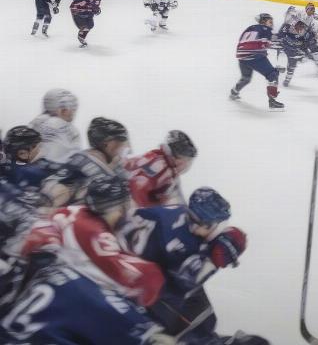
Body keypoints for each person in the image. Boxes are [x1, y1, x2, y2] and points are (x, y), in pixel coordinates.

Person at [10, 175, 174, 345]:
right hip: (59, 306)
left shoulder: (72, 210)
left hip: (27, 293)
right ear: (118, 207)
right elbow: (137, 278)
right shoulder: (99, 236)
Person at [121, 187, 267, 345]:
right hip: (135, 281)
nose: (196, 227)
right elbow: (182, 283)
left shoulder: (189, 229)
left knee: (204, 319)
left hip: (155, 275)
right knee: (192, 326)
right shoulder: (177, 240)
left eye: (202, 224)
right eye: (193, 219)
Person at [41, 117, 130, 208]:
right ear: (109, 144)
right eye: (122, 143)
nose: (125, 148)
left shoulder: (77, 159)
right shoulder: (96, 170)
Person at [125, 130, 197, 208]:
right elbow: (137, 188)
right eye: (185, 160)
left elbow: (175, 198)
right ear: (175, 156)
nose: (186, 165)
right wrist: (152, 211)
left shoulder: (170, 170)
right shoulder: (158, 166)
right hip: (128, 207)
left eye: (189, 161)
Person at [229, 13, 284, 110]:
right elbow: (273, 43)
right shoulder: (265, 29)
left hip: (241, 56)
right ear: (263, 21)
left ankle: (234, 92)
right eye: (270, 21)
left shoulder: (249, 28)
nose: (272, 24)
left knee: (246, 78)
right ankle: (272, 101)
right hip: (253, 56)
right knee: (273, 74)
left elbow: (243, 41)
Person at [29, 88, 81, 163]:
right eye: (71, 107)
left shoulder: (35, 123)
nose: (73, 111)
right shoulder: (67, 128)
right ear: (61, 110)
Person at [296, 2, 318, 82]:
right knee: (308, 56)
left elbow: (316, 28)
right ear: (306, 9)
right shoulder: (299, 14)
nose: (312, 10)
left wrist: (314, 33)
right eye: (310, 8)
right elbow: (294, 26)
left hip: (309, 38)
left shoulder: (315, 17)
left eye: (313, 9)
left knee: (317, 54)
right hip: (299, 39)